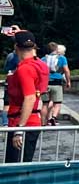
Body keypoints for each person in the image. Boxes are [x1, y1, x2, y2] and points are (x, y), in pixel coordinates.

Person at [5, 32, 49, 164]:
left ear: (16, 47)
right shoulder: (40, 65)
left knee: (14, 167)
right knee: (25, 163)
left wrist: (19, 130)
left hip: (21, 121)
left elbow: (29, 98)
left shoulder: (25, 69)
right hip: (33, 120)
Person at [41, 42, 71, 127]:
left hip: (46, 83)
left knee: (45, 104)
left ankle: (43, 123)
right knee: (57, 103)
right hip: (57, 83)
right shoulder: (62, 58)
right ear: (56, 49)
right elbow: (66, 70)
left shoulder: (43, 59)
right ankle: (53, 117)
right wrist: (68, 81)